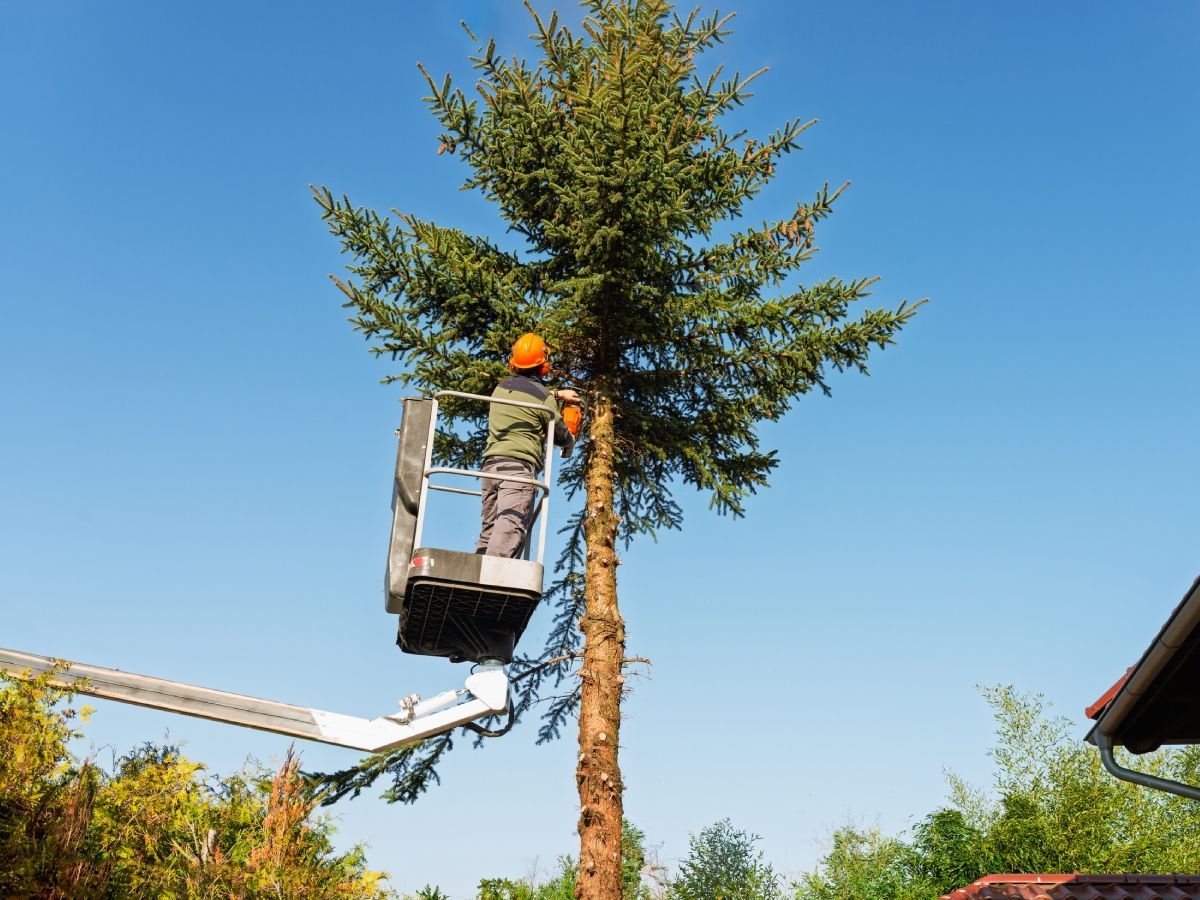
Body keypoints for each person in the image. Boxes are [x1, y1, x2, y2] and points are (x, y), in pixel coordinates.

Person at [476, 333, 581, 558]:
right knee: (510, 524)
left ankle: (476, 572)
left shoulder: (501, 388)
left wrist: (557, 394)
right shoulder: (544, 399)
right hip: (519, 468)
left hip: (491, 467)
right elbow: (560, 434)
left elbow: (530, 397)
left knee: (490, 528)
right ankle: (491, 580)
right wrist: (572, 434)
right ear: (543, 368)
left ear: (512, 364)